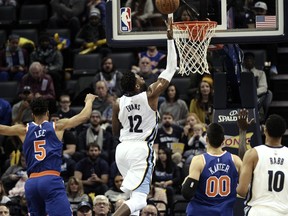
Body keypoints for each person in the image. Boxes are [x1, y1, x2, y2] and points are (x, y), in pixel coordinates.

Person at [112, 17, 177, 216]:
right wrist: (170, 40)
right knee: (140, 201)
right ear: (138, 85)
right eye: (140, 77)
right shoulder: (150, 94)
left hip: (122, 150)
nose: (141, 75)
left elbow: (116, 132)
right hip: (141, 149)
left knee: (132, 198)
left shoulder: (117, 103)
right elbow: (171, 68)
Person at [0, 93, 97, 215]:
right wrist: (89, 100)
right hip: (50, 179)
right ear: (47, 113)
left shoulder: (23, 130)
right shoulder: (57, 126)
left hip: (32, 182)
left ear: (32, 115)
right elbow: (84, 116)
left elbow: (2, 128)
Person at [181, 123, 242, 215]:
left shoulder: (199, 160)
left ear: (206, 139)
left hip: (200, 212)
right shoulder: (235, 160)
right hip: (224, 212)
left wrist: (185, 181)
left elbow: (187, 193)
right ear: (223, 141)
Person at [237, 114, 288, 216]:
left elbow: (242, 191)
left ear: (265, 130)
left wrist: (242, 131)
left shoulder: (253, 154)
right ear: (283, 132)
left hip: (258, 211)